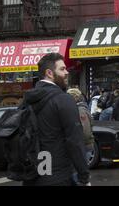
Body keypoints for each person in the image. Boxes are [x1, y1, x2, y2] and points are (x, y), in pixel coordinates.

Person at [22, 53, 90, 186]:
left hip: (32, 175)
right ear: (49, 73)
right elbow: (75, 140)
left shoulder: (28, 99)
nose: (66, 72)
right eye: (62, 69)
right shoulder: (63, 99)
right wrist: (84, 176)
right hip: (58, 176)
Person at [67, 88, 95, 183]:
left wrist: (78, 145)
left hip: (83, 147)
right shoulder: (79, 109)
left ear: (74, 97)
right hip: (82, 147)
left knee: (78, 175)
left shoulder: (80, 110)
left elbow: (85, 132)